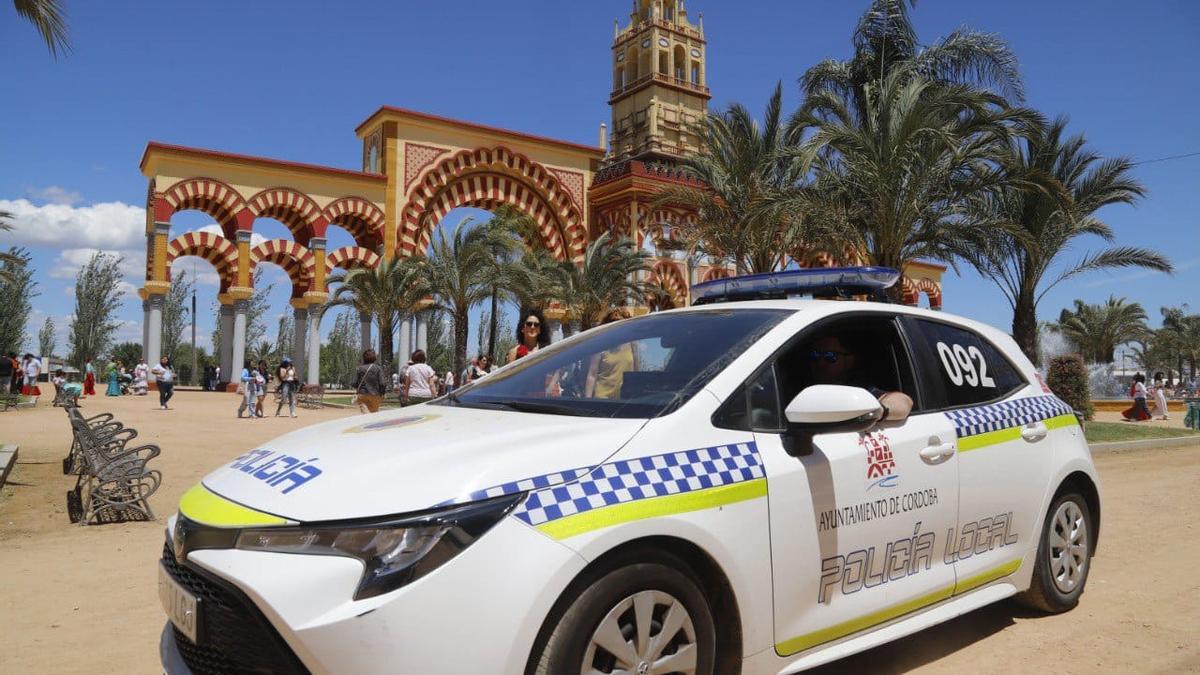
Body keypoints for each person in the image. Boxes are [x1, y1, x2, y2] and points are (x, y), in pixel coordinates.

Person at [805, 332, 913, 423]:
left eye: (830, 356)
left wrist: (875, 412)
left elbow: (904, 401)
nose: (820, 363)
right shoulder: (796, 389)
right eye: (815, 355)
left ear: (849, 361)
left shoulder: (860, 393)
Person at [584, 309, 637, 399]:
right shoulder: (600, 346)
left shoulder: (632, 344)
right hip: (603, 399)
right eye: (613, 322)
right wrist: (587, 400)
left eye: (620, 322)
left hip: (625, 400)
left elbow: (636, 370)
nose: (617, 326)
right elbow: (592, 374)